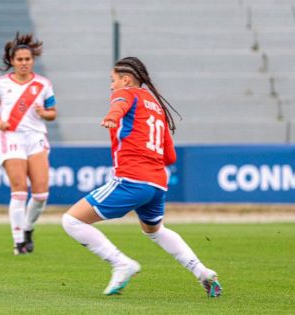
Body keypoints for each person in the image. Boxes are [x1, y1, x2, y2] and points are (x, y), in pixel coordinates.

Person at [61, 57, 222, 297]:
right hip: (157, 182)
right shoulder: (156, 107)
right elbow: (170, 156)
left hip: (131, 179)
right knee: (155, 231)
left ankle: (121, 264)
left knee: (72, 221)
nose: (111, 86)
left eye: (112, 80)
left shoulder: (127, 93)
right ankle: (202, 271)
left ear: (126, 80)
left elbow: (119, 105)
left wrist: (113, 117)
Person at [0, 33, 57, 255]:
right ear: (12, 61)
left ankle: (27, 228)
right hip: (12, 138)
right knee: (19, 191)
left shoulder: (43, 84)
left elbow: (53, 113)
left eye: (27, 59)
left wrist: (44, 113)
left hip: (36, 138)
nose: (24, 63)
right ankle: (19, 242)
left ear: (32, 60)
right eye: (20, 59)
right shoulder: (1, 84)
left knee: (41, 194)